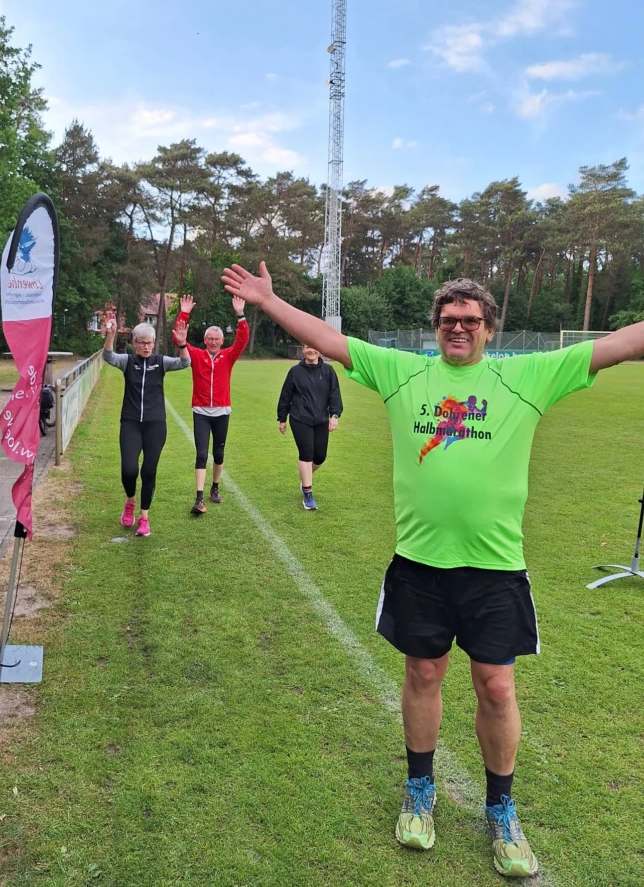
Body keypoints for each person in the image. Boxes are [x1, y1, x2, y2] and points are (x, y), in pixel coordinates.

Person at [221, 261, 644, 880]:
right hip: (419, 564)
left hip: (495, 569)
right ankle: (420, 790)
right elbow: (329, 338)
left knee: (496, 687)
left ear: (489, 329)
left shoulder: (528, 375)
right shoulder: (405, 372)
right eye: (449, 319)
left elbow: (621, 344)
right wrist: (268, 301)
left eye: (470, 320)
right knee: (423, 673)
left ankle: (501, 808)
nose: (459, 328)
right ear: (436, 326)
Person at [102, 312, 191, 537]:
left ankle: (144, 517)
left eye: (150, 343)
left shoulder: (160, 362)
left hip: (155, 425)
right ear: (134, 343)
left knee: (149, 471)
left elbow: (185, 362)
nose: (146, 347)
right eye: (142, 343)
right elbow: (108, 356)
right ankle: (130, 501)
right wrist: (110, 335)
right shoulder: (127, 362)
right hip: (131, 423)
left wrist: (182, 344)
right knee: (129, 470)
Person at [173, 294, 249, 516]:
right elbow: (178, 338)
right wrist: (184, 313)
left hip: (222, 412)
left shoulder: (228, 356)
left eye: (217, 339)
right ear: (205, 340)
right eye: (210, 339)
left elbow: (243, 339)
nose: (213, 342)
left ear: (222, 341)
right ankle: (198, 498)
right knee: (201, 453)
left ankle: (215, 487)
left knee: (218, 453)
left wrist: (240, 314)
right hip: (201, 412)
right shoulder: (196, 355)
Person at [277, 344, 343, 510]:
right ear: (303, 350)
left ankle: (305, 478)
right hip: (300, 418)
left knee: (319, 457)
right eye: (307, 347)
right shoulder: (295, 371)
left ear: (319, 349)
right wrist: (282, 418)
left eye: (314, 347)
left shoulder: (328, 371)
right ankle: (308, 495)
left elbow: (334, 394)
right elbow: (286, 395)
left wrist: (334, 415)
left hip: (321, 419)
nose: (311, 350)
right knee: (306, 454)